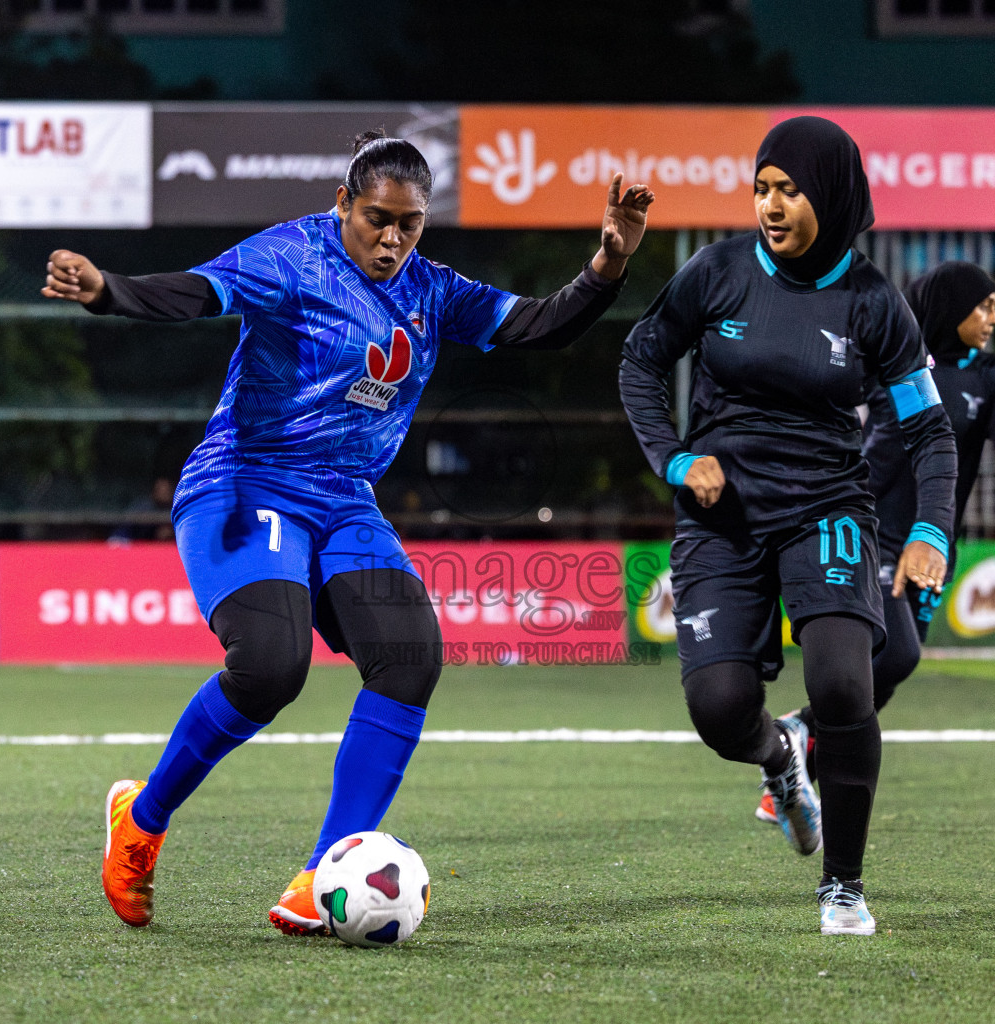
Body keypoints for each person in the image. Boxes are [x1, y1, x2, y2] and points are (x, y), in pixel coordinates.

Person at [42, 132, 655, 931]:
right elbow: (199, 292)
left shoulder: (433, 289)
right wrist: (107, 291)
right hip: (245, 478)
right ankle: (142, 821)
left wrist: (607, 264)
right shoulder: (292, 255)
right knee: (269, 668)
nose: (393, 239)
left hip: (343, 499)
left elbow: (537, 325)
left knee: (409, 657)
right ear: (343, 205)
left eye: (410, 223)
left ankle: (321, 875)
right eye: (376, 219)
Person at [619, 116, 957, 936]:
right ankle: (781, 758)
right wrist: (673, 458)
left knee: (843, 684)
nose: (771, 204)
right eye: (762, 187)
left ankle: (844, 885)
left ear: (832, 194)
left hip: (827, 510)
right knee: (719, 708)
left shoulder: (877, 305)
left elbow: (930, 432)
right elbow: (638, 358)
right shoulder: (716, 272)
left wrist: (931, 531)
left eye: (790, 189)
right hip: (721, 519)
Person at [758, 261, 995, 823]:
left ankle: (784, 785)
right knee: (900, 655)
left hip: (935, 547)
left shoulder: (991, 375)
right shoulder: (899, 363)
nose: (994, 318)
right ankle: (793, 730)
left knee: (876, 688)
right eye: (983, 306)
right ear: (950, 308)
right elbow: (868, 446)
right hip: (871, 534)